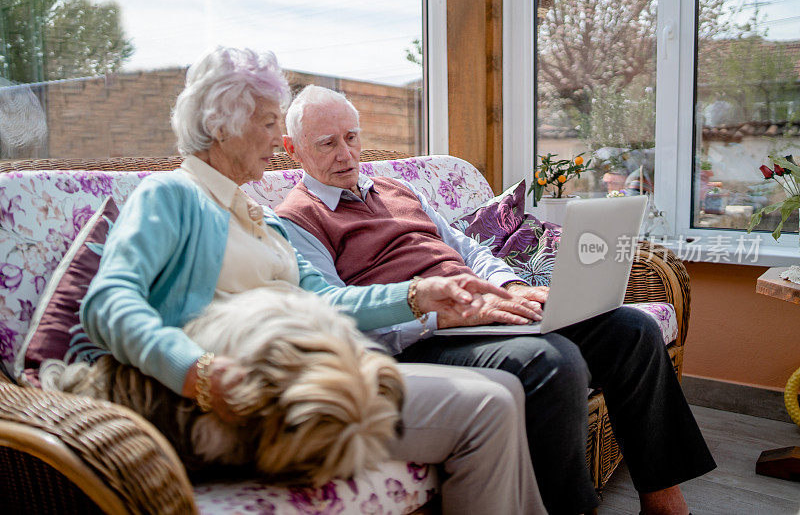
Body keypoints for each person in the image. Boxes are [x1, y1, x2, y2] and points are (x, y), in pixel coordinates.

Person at [79, 47, 544, 515]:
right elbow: (107, 302)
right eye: (265, 123)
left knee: (503, 390)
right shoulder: (172, 194)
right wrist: (196, 371)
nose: (275, 138)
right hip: (249, 394)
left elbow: (326, 300)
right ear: (221, 126)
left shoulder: (261, 217)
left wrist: (418, 295)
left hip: (311, 370)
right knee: (488, 407)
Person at [275, 85, 718, 515]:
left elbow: (467, 249)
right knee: (553, 360)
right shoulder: (294, 220)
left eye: (351, 138)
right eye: (327, 143)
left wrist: (511, 288)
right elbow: (341, 314)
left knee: (630, 329)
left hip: (483, 311)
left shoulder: (397, 189)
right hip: (423, 339)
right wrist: (438, 315)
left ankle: (664, 505)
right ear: (292, 148)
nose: (346, 154)